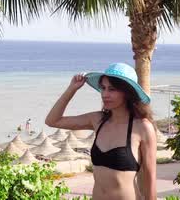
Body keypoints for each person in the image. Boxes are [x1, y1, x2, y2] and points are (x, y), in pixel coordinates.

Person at [45, 63, 157, 200]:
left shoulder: (143, 127)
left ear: (127, 93)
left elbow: (149, 177)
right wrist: (72, 89)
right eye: (103, 88)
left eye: (112, 89)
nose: (105, 94)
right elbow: (52, 121)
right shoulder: (98, 120)